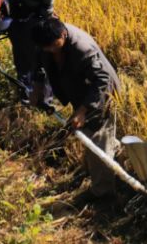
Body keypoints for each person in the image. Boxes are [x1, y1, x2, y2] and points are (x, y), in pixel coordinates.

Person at [30, 17, 122, 199]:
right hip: (78, 88)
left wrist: (83, 110)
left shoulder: (82, 48)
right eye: (45, 47)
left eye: (53, 46)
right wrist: (37, 89)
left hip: (102, 92)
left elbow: (103, 81)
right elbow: (38, 65)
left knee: (97, 139)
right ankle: (119, 160)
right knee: (93, 135)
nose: (49, 50)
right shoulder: (44, 40)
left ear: (63, 35)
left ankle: (103, 193)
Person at [5, 0, 77, 98]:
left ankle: (23, 98)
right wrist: (53, 18)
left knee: (22, 64)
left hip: (15, 23)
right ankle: (43, 101)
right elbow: (45, 9)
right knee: (42, 63)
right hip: (34, 27)